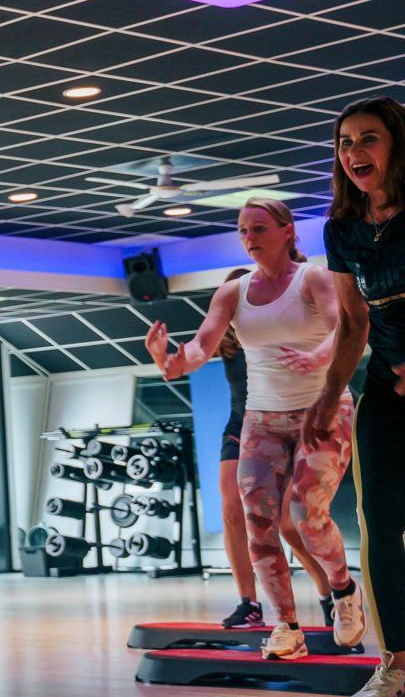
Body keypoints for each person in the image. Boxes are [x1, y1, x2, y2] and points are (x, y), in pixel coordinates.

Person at [147, 199, 363, 660]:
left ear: (287, 232)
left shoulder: (314, 279)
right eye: (243, 230)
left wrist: (318, 357)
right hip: (262, 417)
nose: (249, 237)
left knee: (307, 514)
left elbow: (340, 328)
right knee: (259, 522)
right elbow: (201, 348)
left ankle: (344, 592)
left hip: (322, 410)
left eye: (259, 228)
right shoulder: (232, 293)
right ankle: (286, 625)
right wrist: (168, 359)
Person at [306, 95, 405, 697]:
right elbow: (352, 323)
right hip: (384, 394)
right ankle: (394, 666)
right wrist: (327, 395)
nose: (353, 153)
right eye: (344, 143)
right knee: (378, 525)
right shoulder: (342, 229)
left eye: (367, 139)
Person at [208, 267, 335, 630]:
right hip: (240, 427)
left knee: (287, 523)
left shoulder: (283, 334)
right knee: (233, 510)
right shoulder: (229, 342)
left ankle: (329, 593)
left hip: (287, 427)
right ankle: (248, 603)